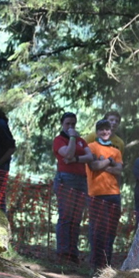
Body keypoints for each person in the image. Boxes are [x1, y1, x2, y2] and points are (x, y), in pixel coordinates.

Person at [53, 112, 94, 266]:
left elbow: (90, 157)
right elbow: (67, 153)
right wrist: (71, 137)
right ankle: (62, 252)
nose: (70, 127)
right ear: (62, 124)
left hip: (81, 180)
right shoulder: (59, 140)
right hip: (66, 178)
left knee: (76, 218)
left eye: (73, 124)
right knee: (66, 216)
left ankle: (72, 253)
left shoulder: (82, 141)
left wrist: (76, 159)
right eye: (67, 124)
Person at [86, 119, 124, 270]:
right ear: (97, 132)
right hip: (97, 193)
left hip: (114, 193)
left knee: (110, 231)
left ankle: (106, 265)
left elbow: (119, 170)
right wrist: (110, 161)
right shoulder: (91, 147)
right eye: (101, 129)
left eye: (107, 129)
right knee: (97, 230)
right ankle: (95, 264)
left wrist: (104, 163)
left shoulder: (116, 151)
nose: (105, 132)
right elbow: (93, 166)